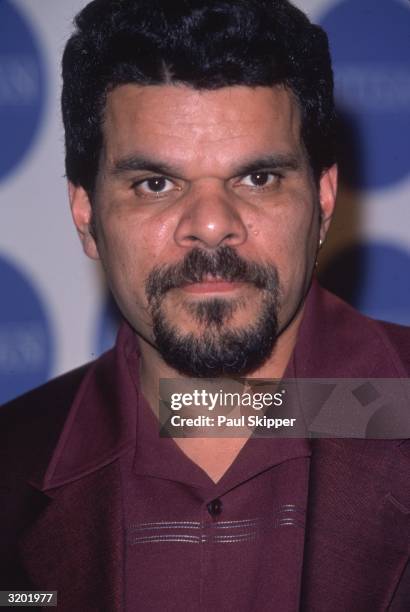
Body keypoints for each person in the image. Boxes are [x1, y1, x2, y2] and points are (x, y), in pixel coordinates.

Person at [1, 0, 409, 609]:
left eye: (258, 178)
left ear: (323, 199)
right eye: (155, 184)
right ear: (85, 215)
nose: (213, 225)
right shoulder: (11, 466)